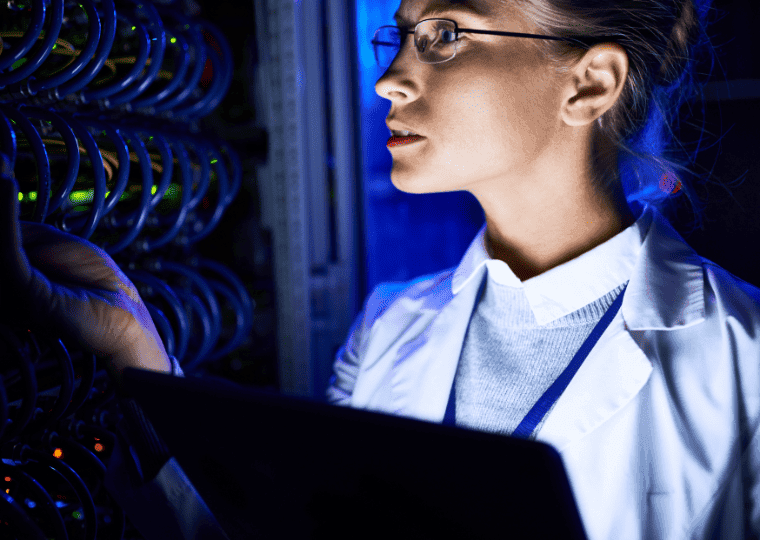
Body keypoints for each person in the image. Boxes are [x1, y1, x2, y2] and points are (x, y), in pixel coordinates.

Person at [325, 0, 760, 538]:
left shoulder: (748, 362)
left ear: (590, 85)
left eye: (445, 33)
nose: (390, 81)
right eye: (404, 36)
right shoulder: (382, 327)